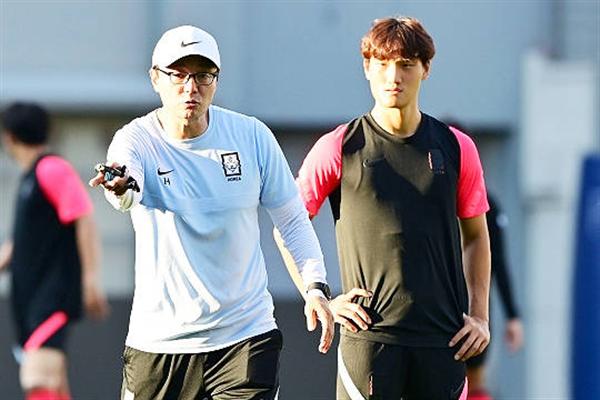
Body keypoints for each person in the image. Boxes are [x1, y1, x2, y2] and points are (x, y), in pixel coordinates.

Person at [88, 25, 334, 400]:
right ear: (155, 79)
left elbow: (291, 219)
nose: (191, 88)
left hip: (245, 337)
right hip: (159, 344)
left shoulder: (252, 136)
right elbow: (125, 187)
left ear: (216, 81)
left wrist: (315, 286)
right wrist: (120, 186)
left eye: (203, 75)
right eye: (178, 75)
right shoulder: (135, 139)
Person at [278, 16, 492, 399]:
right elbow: (288, 225)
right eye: (382, 64)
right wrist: (318, 295)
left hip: (443, 341)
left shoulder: (457, 148)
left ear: (426, 69)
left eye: (406, 64)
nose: (393, 76)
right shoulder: (340, 146)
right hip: (369, 341)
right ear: (367, 68)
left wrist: (480, 316)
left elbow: (476, 237)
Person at [0, 102, 109, 400]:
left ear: (10, 137)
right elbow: (18, 244)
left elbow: (83, 217)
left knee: (38, 379)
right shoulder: (30, 178)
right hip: (31, 301)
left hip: (51, 297)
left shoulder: (51, 168)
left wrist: (90, 279)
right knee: (53, 385)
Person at [466, 194, 524, 400]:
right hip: (457, 308)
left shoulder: (486, 205)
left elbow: (498, 261)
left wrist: (512, 315)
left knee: (472, 380)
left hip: (475, 310)